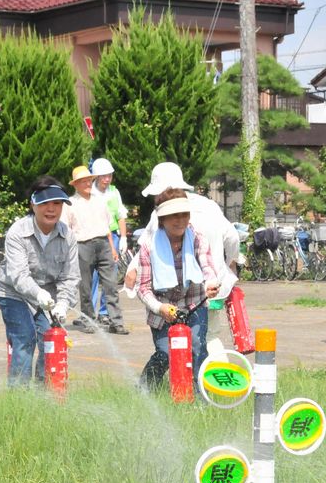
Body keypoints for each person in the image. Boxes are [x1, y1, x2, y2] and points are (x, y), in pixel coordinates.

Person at [128, 162, 239, 340]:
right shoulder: (209, 205)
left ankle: (200, 367)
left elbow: (146, 242)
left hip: (201, 293)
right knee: (205, 339)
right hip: (184, 296)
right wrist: (230, 262)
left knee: (198, 346)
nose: (180, 221)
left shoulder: (172, 219)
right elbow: (233, 237)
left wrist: (132, 269)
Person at [0, 176, 80, 386]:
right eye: (45, 203)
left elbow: (71, 276)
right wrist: (39, 294)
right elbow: (18, 276)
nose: (51, 209)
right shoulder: (18, 232)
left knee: (50, 339)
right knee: (24, 338)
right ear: (33, 204)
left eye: (57, 203)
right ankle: (20, 398)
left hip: (49, 297)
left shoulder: (67, 236)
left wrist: (63, 303)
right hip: (13, 293)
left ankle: (47, 395)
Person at [137, 188, 219, 384]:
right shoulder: (148, 245)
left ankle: (201, 399)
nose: (180, 220)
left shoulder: (198, 238)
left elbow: (207, 265)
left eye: (184, 214)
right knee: (166, 353)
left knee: (198, 350)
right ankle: (145, 389)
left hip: (195, 303)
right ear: (162, 218)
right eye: (173, 215)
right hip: (162, 308)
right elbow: (143, 288)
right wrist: (159, 308)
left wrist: (211, 282)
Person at [62, 165, 128, 335]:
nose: (87, 184)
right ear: (75, 184)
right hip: (82, 244)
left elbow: (106, 226)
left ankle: (116, 321)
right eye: (83, 181)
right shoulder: (70, 203)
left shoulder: (100, 200)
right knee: (85, 285)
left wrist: (113, 248)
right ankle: (88, 319)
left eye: (89, 180)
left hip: (103, 244)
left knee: (111, 284)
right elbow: (66, 230)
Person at [89, 157, 129, 325]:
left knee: (109, 276)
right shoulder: (90, 192)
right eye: (103, 176)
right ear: (96, 176)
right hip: (92, 235)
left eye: (109, 176)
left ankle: (105, 312)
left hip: (111, 235)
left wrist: (124, 237)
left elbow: (120, 215)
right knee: (91, 277)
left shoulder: (114, 191)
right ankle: (89, 312)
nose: (107, 179)